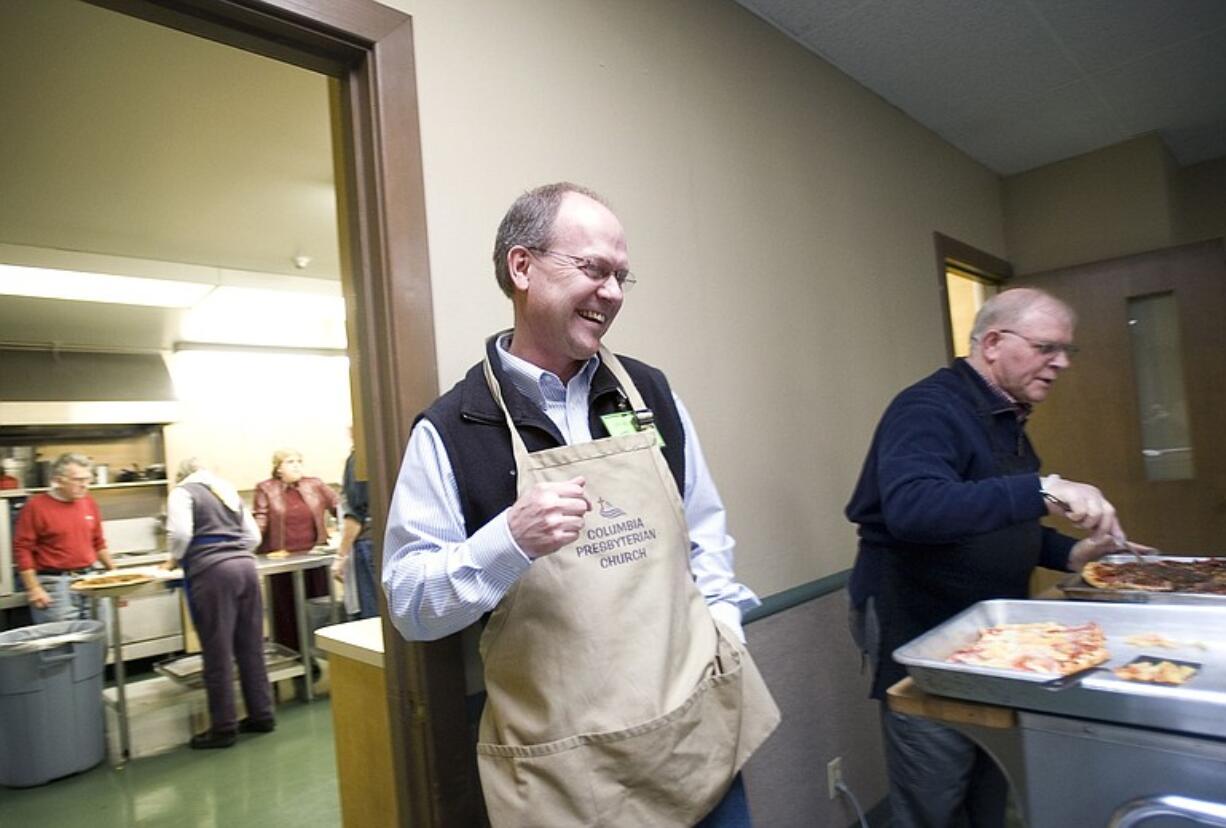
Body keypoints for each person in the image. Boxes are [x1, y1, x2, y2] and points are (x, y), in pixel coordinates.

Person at [383, 182, 780, 827]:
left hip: (693, 742)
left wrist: (724, 636)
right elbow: (408, 604)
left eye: (622, 276)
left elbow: (704, 532)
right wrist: (508, 540)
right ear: (522, 267)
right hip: (567, 780)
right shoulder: (454, 429)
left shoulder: (649, 393)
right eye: (594, 269)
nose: (613, 292)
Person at [845, 287, 1140, 828]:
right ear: (995, 343)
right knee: (936, 792)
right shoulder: (928, 407)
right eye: (1048, 347)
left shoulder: (1006, 416)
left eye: (1067, 350)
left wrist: (1074, 552)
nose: (1062, 363)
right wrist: (1043, 488)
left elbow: (1003, 521)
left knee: (989, 778)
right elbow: (916, 508)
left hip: (990, 633)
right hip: (923, 624)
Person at [167, 458, 275, 749]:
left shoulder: (183, 491)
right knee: (251, 646)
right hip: (246, 569)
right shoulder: (226, 492)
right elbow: (253, 537)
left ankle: (223, 727)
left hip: (213, 573)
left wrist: (173, 558)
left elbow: (179, 534)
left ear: (182, 474)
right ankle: (262, 715)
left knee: (218, 651)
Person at [253, 448, 339, 649]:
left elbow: (339, 506)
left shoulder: (314, 485)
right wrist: (248, 543)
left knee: (317, 609)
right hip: (282, 562)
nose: (297, 465)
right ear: (278, 468)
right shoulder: (266, 488)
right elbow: (261, 518)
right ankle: (295, 656)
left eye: (299, 461)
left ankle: (318, 652)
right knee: (286, 613)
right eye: (290, 462)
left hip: (313, 557)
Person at [14, 452, 115, 624]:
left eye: (87, 479)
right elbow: (22, 549)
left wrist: (114, 574)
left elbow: (98, 542)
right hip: (55, 585)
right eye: (78, 480)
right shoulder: (36, 507)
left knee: (98, 638)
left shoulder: (88, 502)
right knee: (62, 645)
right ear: (58, 480)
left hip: (90, 579)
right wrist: (34, 588)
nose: (84, 485)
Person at [330, 445, 378, 619]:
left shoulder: (359, 459)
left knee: (371, 619)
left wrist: (340, 557)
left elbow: (356, 515)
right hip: (385, 541)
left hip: (367, 543)